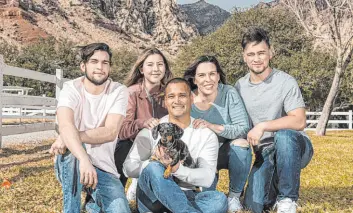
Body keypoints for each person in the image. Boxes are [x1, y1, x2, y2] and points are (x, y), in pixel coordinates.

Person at [235, 27, 314, 213]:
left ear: (271, 52)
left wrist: (263, 126)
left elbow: (299, 121)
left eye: (261, 53)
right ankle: (274, 187)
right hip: (265, 152)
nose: (257, 58)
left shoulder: (286, 81)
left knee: (284, 136)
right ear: (244, 56)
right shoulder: (239, 86)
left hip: (294, 146)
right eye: (251, 54)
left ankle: (287, 200)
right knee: (253, 205)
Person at [123, 78, 228, 213]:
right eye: (171, 96)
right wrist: (153, 161)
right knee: (153, 167)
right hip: (153, 198)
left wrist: (176, 168)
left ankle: (177, 209)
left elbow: (207, 178)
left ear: (191, 98)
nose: (177, 101)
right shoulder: (151, 130)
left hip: (188, 195)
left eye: (182, 96)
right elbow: (128, 168)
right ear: (165, 101)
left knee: (219, 199)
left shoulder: (206, 134)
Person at [49, 43, 131, 213]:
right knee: (73, 150)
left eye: (105, 63)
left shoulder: (119, 91)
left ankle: (93, 203)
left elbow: (110, 132)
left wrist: (67, 135)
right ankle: (71, 210)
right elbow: (65, 124)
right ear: (83, 66)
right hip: (72, 166)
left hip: (103, 169)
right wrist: (84, 159)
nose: (100, 67)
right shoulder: (71, 88)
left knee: (120, 209)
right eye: (94, 61)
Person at [183, 55, 251, 212]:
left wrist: (212, 126)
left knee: (241, 144)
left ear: (218, 76)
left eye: (212, 74)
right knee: (210, 201)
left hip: (227, 150)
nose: (208, 79)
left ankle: (234, 196)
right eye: (201, 75)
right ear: (194, 80)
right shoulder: (187, 99)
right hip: (201, 155)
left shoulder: (229, 93)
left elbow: (243, 127)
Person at [114, 48, 172, 201]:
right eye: (150, 65)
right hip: (133, 146)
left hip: (160, 147)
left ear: (165, 68)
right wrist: (142, 123)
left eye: (160, 64)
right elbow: (122, 130)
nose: (155, 69)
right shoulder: (130, 93)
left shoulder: (170, 94)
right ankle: (118, 194)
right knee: (122, 145)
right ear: (141, 69)